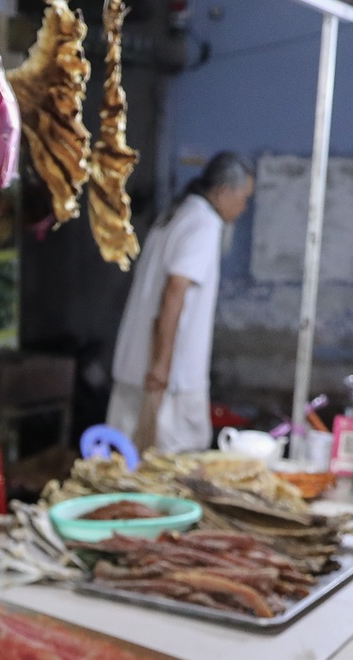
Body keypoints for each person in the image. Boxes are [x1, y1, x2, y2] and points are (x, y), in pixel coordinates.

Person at [106, 152, 255, 453]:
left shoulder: (175, 215)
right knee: (170, 470)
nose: (243, 208)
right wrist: (161, 365)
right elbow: (175, 289)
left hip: (135, 369)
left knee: (124, 465)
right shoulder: (204, 224)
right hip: (170, 382)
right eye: (243, 198)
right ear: (224, 191)